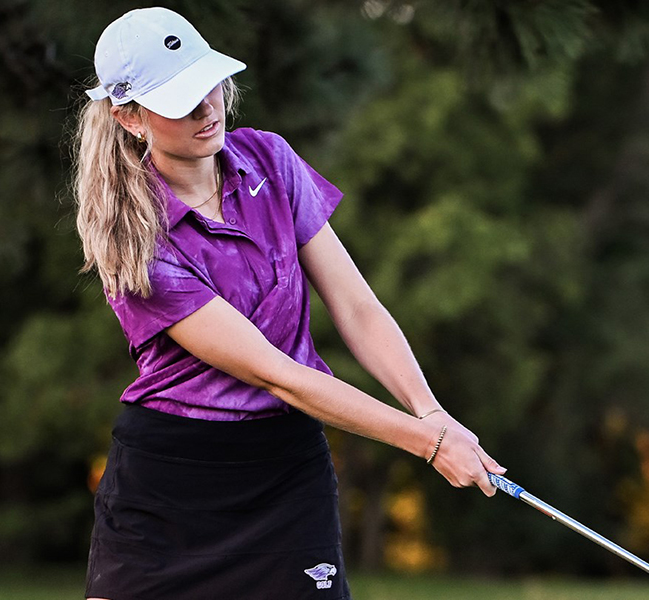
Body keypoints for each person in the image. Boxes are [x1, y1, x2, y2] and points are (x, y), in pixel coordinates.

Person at [73, 7, 505, 600]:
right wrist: (425, 442)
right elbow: (278, 374)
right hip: (173, 484)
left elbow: (356, 306)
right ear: (129, 117)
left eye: (208, 84)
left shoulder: (270, 161)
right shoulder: (138, 243)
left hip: (286, 470)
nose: (206, 109)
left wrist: (430, 411)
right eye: (179, 100)